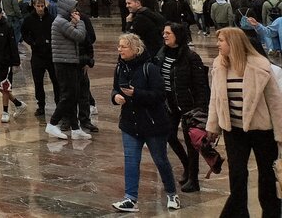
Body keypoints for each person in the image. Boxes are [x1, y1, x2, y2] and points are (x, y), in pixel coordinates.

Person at [205, 26, 282, 217]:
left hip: (262, 130)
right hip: (233, 130)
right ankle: (239, 213)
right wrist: (213, 126)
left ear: (234, 43)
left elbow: (275, 102)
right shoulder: (219, 65)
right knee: (237, 175)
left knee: (267, 175)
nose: (218, 44)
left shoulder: (260, 65)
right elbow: (215, 99)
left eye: (221, 40)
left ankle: (271, 212)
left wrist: (280, 134)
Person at [110, 33, 179, 212]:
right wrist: (115, 96)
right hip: (129, 123)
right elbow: (116, 88)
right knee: (131, 161)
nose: (120, 50)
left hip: (153, 124)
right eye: (119, 46)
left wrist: (137, 94)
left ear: (135, 49)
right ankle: (130, 198)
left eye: (123, 46)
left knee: (160, 160)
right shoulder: (120, 67)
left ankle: (172, 194)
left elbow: (160, 95)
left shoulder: (150, 68)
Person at [156, 22, 209, 193]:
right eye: (163, 33)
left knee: (190, 141)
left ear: (177, 35)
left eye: (168, 33)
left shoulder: (191, 57)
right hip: (169, 103)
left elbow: (201, 84)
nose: (164, 36)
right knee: (169, 135)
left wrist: (201, 107)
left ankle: (194, 178)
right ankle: (187, 164)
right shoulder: (162, 53)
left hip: (188, 105)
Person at [46, 0, 89, 140]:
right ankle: (52, 124)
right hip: (64, 63)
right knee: (68, 95)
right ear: (66, 9)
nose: (75, 11)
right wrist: (80, 22)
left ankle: (75, 129)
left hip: (69, 61)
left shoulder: (63, 22)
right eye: (73, 8)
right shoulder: (60, 22)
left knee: (73, 95)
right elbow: (79, 36)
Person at [22, 0, 58, 117]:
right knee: (38, 82)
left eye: (42, 6)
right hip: (37, 54)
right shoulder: (29, 19)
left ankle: (58, 104)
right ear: (34, 6)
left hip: (50, 54)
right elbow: (24, 33)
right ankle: (41, 105)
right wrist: (33, 42)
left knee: (55, 80)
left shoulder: (51, 18)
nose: (41, 8)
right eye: (38, 6)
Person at [0, 3, 23, 121]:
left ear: (2, 14)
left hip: (6, 61)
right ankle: (18, 104)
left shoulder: (7, 26)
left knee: (5, 86)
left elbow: (13, 45)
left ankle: (5, 112)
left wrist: (16, 62)